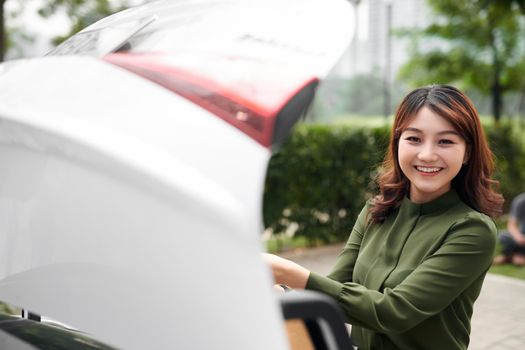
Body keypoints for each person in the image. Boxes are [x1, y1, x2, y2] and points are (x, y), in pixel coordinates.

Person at [264, 84, 504, 350]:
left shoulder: (472, 230)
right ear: (397, 142)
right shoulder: (375, 210)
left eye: (445, 141)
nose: (427, 154)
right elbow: (335, 290)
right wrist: (281, 291)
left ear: (467, 151)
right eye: (414, 138)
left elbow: (395, 311)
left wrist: (288, 272)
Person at [493, 192, 525, 266]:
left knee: (518, 261)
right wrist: (518, 237)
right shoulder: (520, 200)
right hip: (522, 236)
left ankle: (509, 256)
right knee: (503, 236)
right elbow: (512, 225)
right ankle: (517, 256)